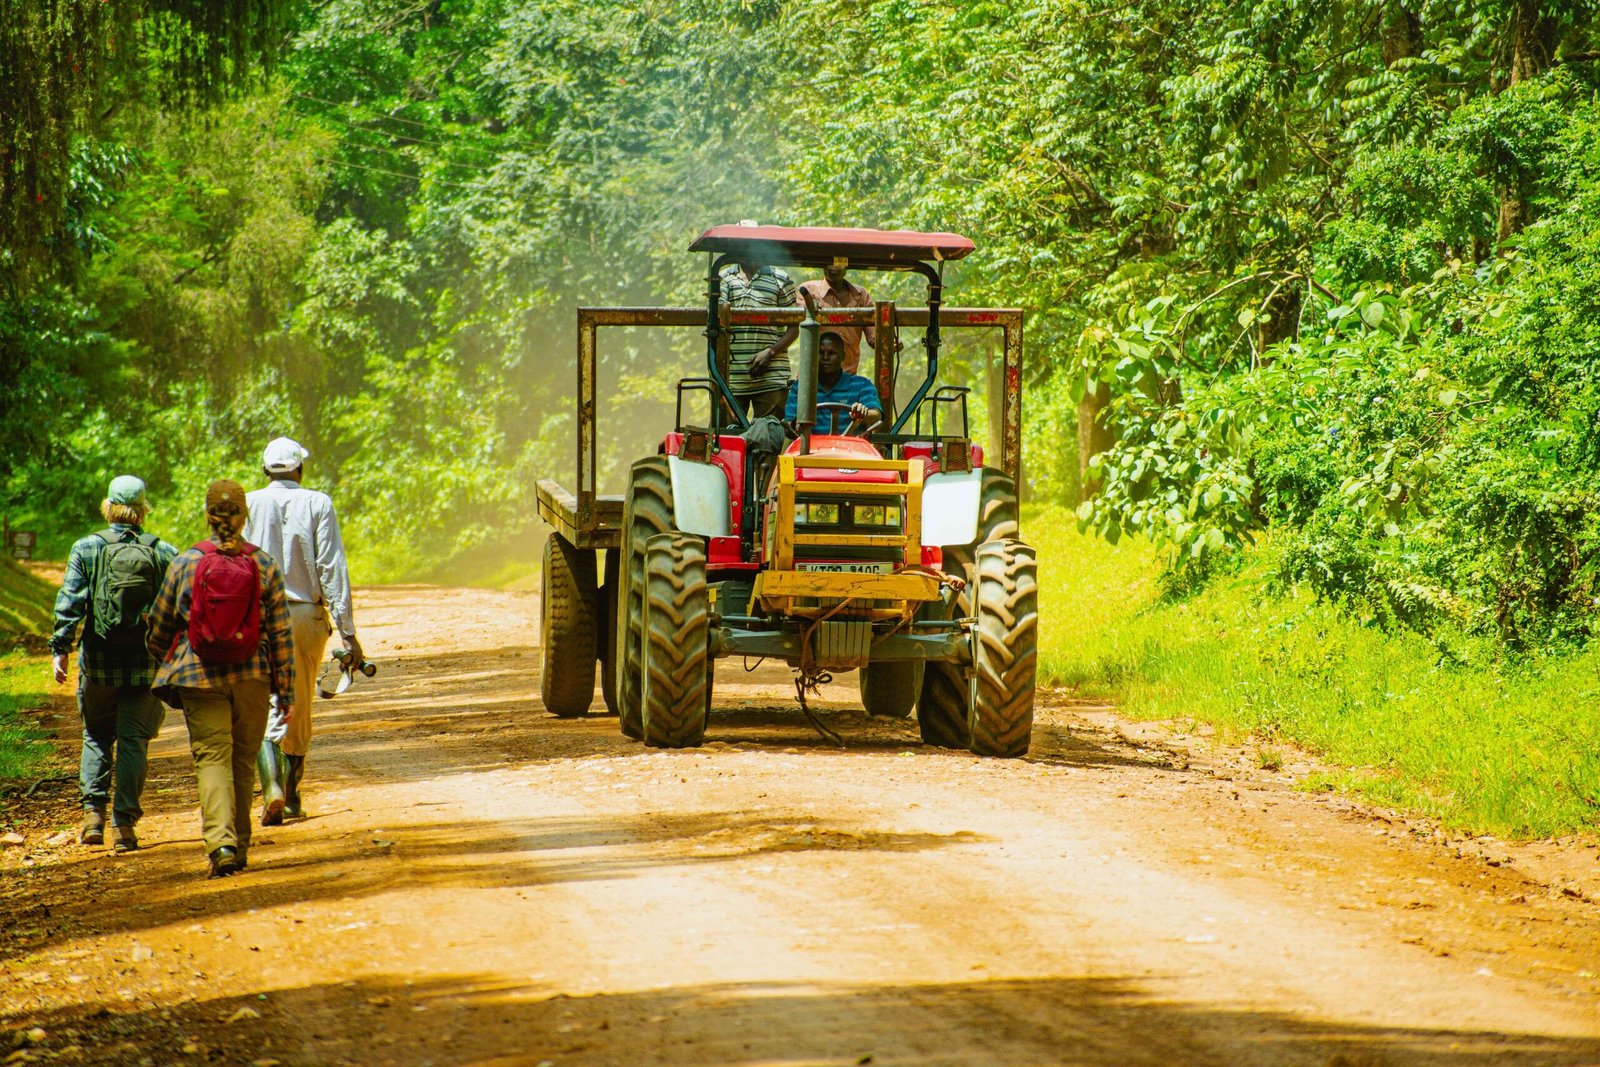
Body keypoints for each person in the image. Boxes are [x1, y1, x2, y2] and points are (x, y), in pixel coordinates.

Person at [145, 480, 294, 878]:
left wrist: (172, 659)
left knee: (212, 758)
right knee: (244, 760)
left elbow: (159, 627)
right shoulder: (263, 564)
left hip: (198, 677)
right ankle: (240, 845)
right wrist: (287, 690)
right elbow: (281, 634)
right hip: (253, 677)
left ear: (207, 516)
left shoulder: (185, 563)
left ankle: (221, 844)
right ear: (244, 516)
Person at [49, 476, 178, 853]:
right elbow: (175, 611)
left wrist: (61, 646)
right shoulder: (163, 551)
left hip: (100, 662)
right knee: (135, 741)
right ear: (143, 509)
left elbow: (70, 601)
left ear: (108, 506)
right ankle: (124, 825)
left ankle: (93, 816)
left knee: (97, 734)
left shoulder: (86, 548)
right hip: (145, 662)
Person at [243, 436, 360, 826]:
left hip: (259, 617)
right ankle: (291, 796)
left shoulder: (249, 503)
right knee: (300, 703)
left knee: (264, 702)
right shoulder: (318, 502)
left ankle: (271, 786)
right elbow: (331, 568)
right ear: (300, 469)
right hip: (305, 616)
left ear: (265, 471)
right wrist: (348, 632)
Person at [721, 256, 799, 420]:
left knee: (771, 436)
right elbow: (717, 318)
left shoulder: (780, 278)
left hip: (772, 377)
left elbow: (794, 327)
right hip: (733, 379)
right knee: (728, 439)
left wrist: (770, 352)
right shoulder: (723, 278)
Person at [785, 331, 884, 432]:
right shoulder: (801, 387)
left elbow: (876, 415)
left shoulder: (862, 385)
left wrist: (863, 412)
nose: (825, 357)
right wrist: (796, 425)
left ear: (843, 356)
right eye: (820, 352)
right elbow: (790, 423)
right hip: (811, 446)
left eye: (832, 353)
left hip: (850, 446)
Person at [796, 265, 885, 375]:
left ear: (846, 265)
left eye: (838, 262)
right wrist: (809, 308)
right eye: (829, 262)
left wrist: (888, 341)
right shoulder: (808, 291)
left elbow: (873, 338)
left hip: (848, 377)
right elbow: (800, 318)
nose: (834, 267)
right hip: (813, 377)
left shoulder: (861, 295)